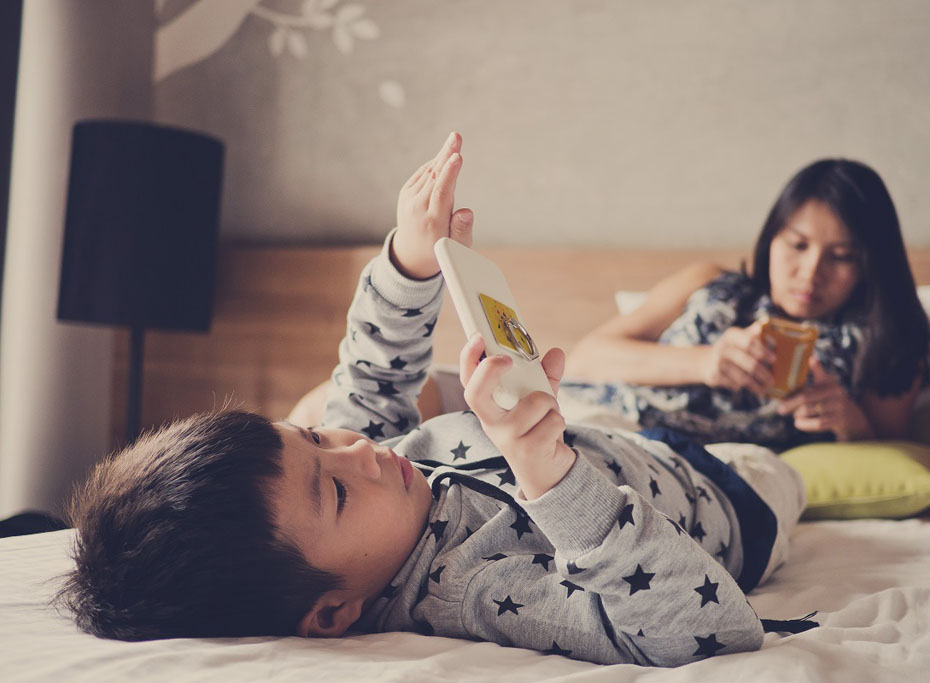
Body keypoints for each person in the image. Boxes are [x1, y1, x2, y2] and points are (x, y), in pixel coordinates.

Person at [55, 133, 812, 668]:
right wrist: (547, 474)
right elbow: (711, 630)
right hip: (728, 503)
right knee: (797, 473)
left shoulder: (364, 459)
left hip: (628, 443)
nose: (359, 451)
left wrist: (411, 263)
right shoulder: (471, 590)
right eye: (338, 492)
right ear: (331, 613)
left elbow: (370, 373)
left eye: (312, 439)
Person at [562, 159, 930, 449]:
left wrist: (850, 421)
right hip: (579, 413)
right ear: (772, 238)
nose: (811, 272)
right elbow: (585, 357)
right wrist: (705, 362)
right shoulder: (709, 282)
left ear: (869, 264)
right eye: (797, 245)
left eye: (841, 256)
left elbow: (897, 452)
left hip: (663, 460)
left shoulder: (885, 340)